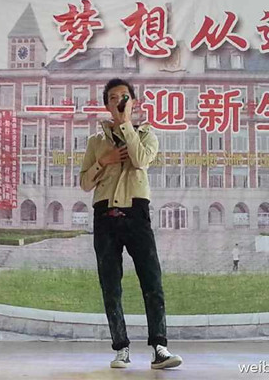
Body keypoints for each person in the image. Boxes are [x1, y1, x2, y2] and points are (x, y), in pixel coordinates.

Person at [80, 78, 182, 370]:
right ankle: (121, 349)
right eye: (113, 98)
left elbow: (140, 161)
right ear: (106, 105)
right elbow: (85, 182)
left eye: (124, 97)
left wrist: (125, 125)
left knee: (152, 280)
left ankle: (160, 348)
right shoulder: (96, 142)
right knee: (110, 285)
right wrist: (105, 161)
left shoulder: (147, 135)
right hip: (105, 215)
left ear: (133, 103)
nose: (119, 101)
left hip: (136, 213)